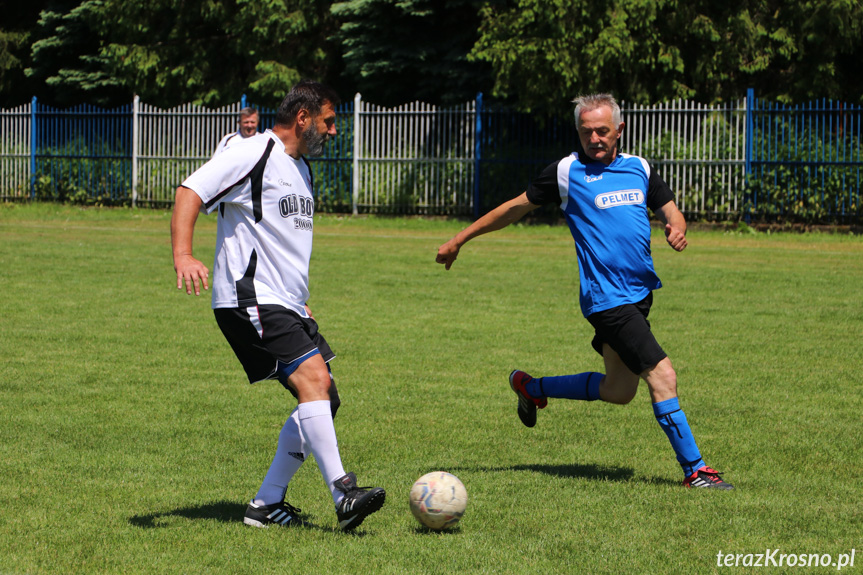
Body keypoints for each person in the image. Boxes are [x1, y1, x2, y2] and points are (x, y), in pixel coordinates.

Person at [436, 93, 733, 490]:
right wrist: (460, 239)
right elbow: (513, 208)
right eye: (586, 131)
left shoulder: (638, 168)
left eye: (602, 131)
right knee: (663, 375)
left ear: (619, 131)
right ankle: (696, 471)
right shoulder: (565, 172)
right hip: (607, 300)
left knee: (619, 390)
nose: (594, 138)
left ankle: (531, 386)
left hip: (640, 295)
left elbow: (669, 207)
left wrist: (676, 225)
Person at [171, 80, 387, 530]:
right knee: (314, 379)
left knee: (326, 397)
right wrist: (183, 255)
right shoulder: (253, 152)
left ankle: (266, 503)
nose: (333, 132)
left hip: (286, 302)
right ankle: (343, 493)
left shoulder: (301, 168)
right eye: (329, 122)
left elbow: (281, 243)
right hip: (248, 296)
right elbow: (190, 191)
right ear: (303, 118)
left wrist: (300, 301)